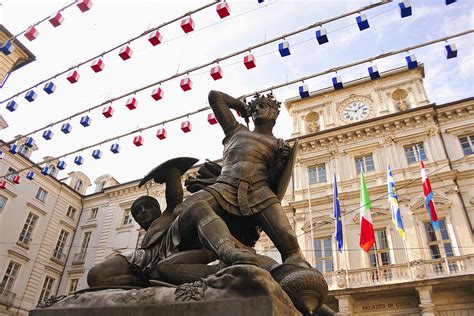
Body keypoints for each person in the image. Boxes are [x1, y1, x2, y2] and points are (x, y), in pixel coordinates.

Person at [172, 90, 309, 268]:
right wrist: (241, 106)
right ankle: (221, 247)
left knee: (289, 242)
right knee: (182, 211)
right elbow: (215, 96)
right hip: (223, 186)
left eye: (262, 106)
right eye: (254, 108)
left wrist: (280, 163)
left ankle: (296, 272)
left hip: (259, 190)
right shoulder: (235, 130)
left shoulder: (279, 144)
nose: (256, 110)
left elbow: (276, 183)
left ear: (274, 113)